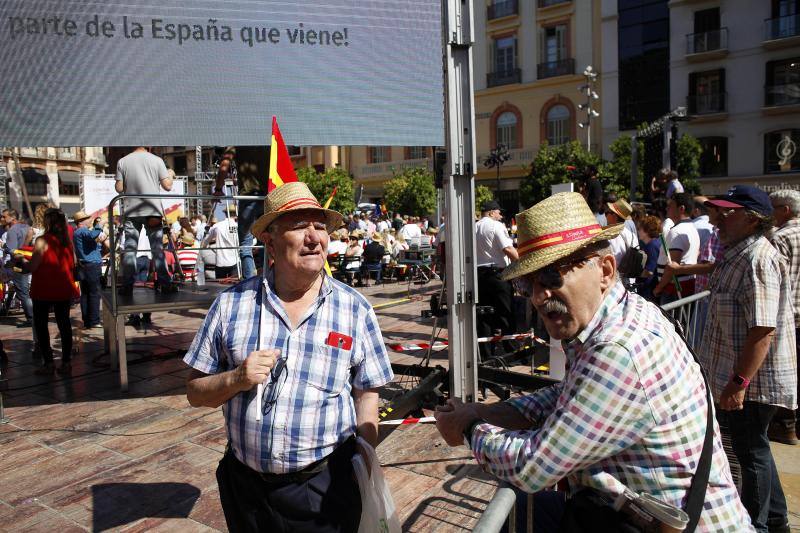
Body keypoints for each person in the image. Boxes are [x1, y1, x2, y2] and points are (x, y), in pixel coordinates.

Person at [434, 192, 751, 531]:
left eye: (553, 277)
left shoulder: (618, 350)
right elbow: (569, 396)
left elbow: (534, 466)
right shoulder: (622, 313)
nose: (540, 296)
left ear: (605, 269)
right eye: (530, 283)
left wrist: (468, 429)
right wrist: (486, 412)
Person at [183, 181, 393, 532]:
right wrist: (236, 378)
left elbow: (367, 390)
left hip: (325, 488)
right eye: (299, 226)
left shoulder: (354, 308)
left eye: (320, 226)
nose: (314, 237)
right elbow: (193, 392)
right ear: (270, 240)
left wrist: (364, 457)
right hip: (246, 490)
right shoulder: (231, 305)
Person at [699, 186, 796, 532]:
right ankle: (776, 520)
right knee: (756, 448)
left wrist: (738, 384)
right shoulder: (737, 254)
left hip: (750, 382)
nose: (717, 219)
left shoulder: (758, 258)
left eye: (727, 213)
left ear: (752, 219)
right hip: (738, 378)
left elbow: (762, 331)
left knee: (749, 453)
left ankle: (756, 525)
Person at [21, 209, 79, 376]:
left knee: (41, 326)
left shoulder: (42, 240)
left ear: (48, 222)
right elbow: (74, 262)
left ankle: (48, 364)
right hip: (63, 287)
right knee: (64, 325)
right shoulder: (67, 241)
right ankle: (66, 363)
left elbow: (33, 266)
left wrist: (22, 261)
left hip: (44, 288)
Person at [115, 146, 176, 295]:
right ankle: (165, 284)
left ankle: (127, 286)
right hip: (152, 211)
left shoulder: (122, 161)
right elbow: (167, 186)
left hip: (132, 210)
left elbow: (119, 188)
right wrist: (169, 174)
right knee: (157, 250)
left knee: (130, 250)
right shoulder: (157, 160)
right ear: (149, 146)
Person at [768, 189, 800, 446]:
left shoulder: (780, 237)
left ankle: (786, 426)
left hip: (790, 312)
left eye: (774, 207)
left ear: (785, 210)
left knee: (786, 368)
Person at [475, 200, 518, 358]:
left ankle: (486, 354)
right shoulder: (496, 226)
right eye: (499, 213)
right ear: (492, 212)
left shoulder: (473, 227)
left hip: (478, 276)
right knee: (506, 313)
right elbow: (507, 248)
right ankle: (511, 351)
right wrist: (523, 264)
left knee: (485, 315)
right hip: (497, 274)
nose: (501, 216)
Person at [215, 153, 264, 279]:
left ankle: (249, 282)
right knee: (266, 242)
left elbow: (224, 165)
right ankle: (267, 278)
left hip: (248, 197)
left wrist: (218, 188)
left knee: (245, 244)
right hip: (268, 196)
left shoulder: (238, 141)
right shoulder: (267, 141)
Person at [654, 192, 700, 303]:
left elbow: (672, 267)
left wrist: (658, 288)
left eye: (671, 205)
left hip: (673, 290)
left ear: (681, 209)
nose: (667, 208)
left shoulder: (677, 231)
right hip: (685, 286)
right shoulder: (692, 227)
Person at [73, 210, 106, 330]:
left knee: (86, 294)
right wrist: (100, 225)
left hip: (85, 266)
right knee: (94, 294)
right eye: (87, 218)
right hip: (91, 266)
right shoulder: (82, 230)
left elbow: (91, 240)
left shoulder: (78, 232)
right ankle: (94, 321)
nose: (90, 220)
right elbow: (92, 235)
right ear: (81, 221)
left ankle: (87, 320)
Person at [1, 208, 33, 327]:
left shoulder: (12, 231)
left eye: (4, 217)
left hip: (19, 264)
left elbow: (13, 251)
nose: (2, 219)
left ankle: (31, 318)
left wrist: (4, 247)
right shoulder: (26, 227)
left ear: (12, 218)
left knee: (23, 293)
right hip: (29, 262)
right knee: (25, 292)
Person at [204, 208, 239, 280]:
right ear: (236, 214)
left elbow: (205, 242)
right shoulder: (238, 226)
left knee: (219, 287)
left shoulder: (217, 226)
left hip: (221, 261)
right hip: (234, 261)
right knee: (235, 287)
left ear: (225, 214)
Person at [634, 215, 662, 301]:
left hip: (648, 290)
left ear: (646, 230)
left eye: (639, 229)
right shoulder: (657, 242)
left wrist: (634, 273)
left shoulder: (651, 246)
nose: (638, 231)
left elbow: (649, 271)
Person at [605, 198, 638, 265]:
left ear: (614, 217)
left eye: (607, 212)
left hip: (615, 273)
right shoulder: (632, 236)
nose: (605, 215)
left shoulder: (610, 235)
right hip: (629, 273)